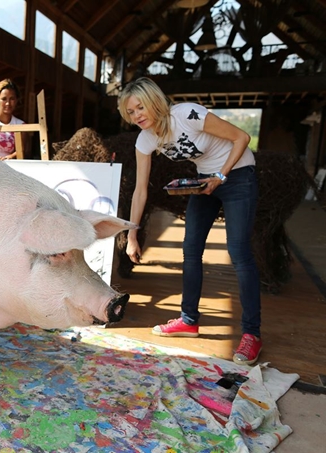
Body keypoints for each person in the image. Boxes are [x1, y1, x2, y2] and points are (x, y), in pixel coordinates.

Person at [117, 77, 262, 366]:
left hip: (238, 174)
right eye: (130, 113)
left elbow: (241, 138)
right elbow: (140, 190)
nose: (137, 116)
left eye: (140, 107)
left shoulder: (187, 115)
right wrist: (131, 235)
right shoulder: (145, 139)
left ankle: (252, 334)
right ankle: (189, 320)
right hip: (205, 180)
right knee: (191, 249)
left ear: (154, 100)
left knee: (239, 252)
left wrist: (221, 176)